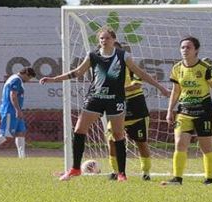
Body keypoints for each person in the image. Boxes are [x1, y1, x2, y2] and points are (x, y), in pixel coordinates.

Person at [41, 28, 168, 182]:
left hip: (115, 99)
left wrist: (161, 88)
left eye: (107, 38)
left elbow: (141, 74)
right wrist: (54, 79)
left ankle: (121, 173)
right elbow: (77, 72)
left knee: (117, 135)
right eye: (101, 38)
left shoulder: (123, 56)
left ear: (113, 39)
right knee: (79, 130)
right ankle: (75, 169)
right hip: (96, 97)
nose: (103, 41)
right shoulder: (92, 55)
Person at [162, 36, 212, 186]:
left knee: (206, 146)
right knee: (180, 144)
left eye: (188, 47)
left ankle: (209, 179)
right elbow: (176, 91)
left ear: (196, 50)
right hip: (184, 112)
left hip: (203, 112)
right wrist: (170, 110)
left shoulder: (205, 68)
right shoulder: (177, 68)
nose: (185, 50)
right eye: (182, 47)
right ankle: (177, 178)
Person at [106, 60, 154, 181]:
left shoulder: (132, 67)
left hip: (136, 110)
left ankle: (146, 172)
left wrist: (118, 90)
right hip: (117, 110)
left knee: (141, 143)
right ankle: (115, 171)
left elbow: (136, 85)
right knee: (112, 142)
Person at [0, 67, 36, 159]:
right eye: (29, 78)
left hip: (16, 110)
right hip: (10, 110)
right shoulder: (16, 80)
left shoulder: (15, 78)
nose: (28, 80)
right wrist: (17, 110)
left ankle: (22, 157)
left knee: (20, 132)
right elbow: (13, 95)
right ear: (26, 74)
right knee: (6, 134)